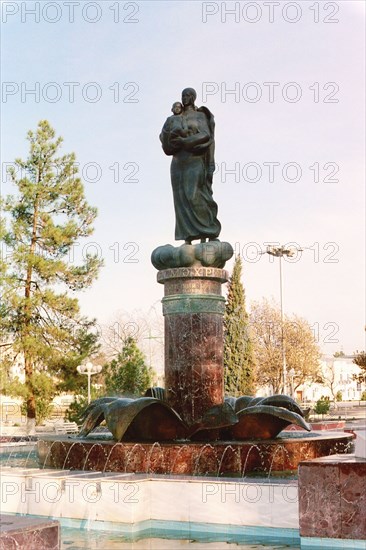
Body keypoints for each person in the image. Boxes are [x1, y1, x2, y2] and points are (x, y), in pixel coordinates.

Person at [160, 88, 221, 244]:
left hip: (195, 159)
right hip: (177, 162)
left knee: (193, 194)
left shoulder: (199, 115)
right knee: (180, 199)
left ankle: (206, 232)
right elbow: (165, 142)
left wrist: (186, 142)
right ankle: (187, 238)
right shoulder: (174, 118)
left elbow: (205, 135)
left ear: (193, 98)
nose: (185, 98)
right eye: (183, 95)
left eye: (188, 95)